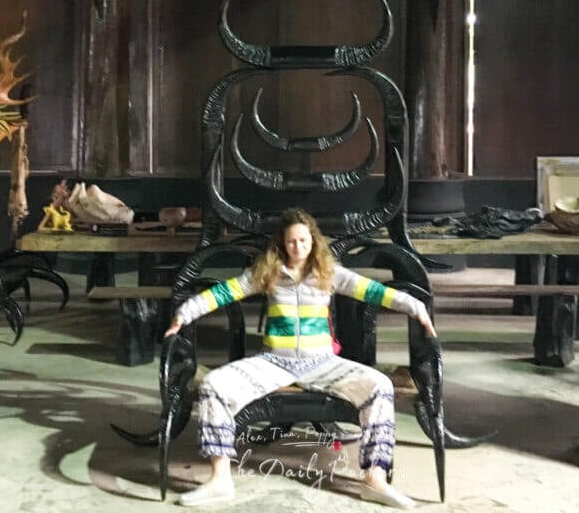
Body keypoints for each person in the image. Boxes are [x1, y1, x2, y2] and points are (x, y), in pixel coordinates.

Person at [163, 207, 437, 509]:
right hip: (273, 363)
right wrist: (183, 314)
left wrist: (415, 307)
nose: (298, 247)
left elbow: (372, 290)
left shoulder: (329, 273)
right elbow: (225, 292)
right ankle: (219, 480)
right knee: (213, 385)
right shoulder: (266, 273)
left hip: (322, 363)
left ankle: (375, 480)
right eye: (292, 241)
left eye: (304, 241)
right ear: (282, 243)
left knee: (380, 386)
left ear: (313, 241)